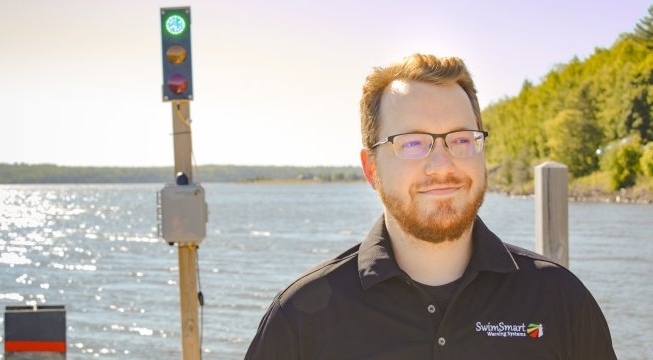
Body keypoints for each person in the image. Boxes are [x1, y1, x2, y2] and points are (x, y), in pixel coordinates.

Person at [245, 54, 616, 359]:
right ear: (371, 168)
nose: (442, 166)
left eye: (460, 139)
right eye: (412, 143)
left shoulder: (560, 301)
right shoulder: (301, 320)